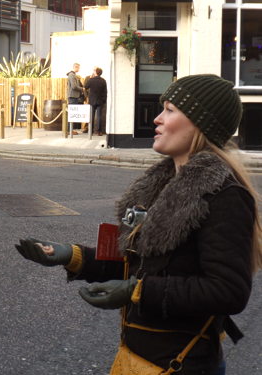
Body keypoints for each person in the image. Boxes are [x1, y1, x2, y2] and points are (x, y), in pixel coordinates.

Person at [15, 74, 262, 375]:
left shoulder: (225, 195)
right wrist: (71, 256)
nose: (157, 118)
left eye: (170, 110)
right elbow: (141, 265)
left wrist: (137, 290)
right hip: (135, 359)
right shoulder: (163, 182)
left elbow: (228, 291)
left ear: (201, 123)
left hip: (182, 366)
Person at [84, 66, 107, 136]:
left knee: (91, 115)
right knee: (99, 116)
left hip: (92, 100)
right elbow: (105, 91)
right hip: (100, 101)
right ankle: (99, 131)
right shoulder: (103, 81)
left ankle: (90, 131)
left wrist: (90, 79)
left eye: (94, 71)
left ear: (96, 72)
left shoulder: (91, 80)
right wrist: (104, 100)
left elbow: (85, 87)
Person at [66, 62, 84, 133]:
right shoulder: (72, 75)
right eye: (78, 67)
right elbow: (74, 86)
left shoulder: (73, 75)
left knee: (72, 114)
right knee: (72, 114)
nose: (79, 69)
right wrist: (82, 89)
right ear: (75, 67)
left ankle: (70, 130)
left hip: (74, 96)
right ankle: (69, 130)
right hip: (73, 97)